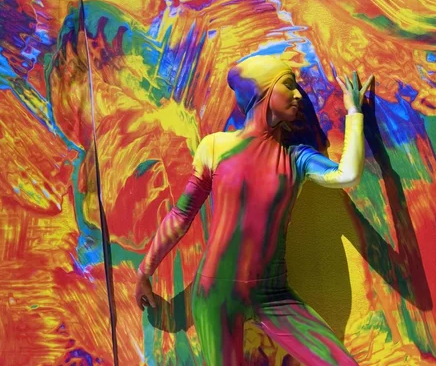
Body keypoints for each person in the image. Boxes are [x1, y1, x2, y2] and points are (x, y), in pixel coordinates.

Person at [135, 55, 374, 366]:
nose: (299, 95)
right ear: (264, 92)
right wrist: (145, 272)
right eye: (289, 86)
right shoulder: (215, 147)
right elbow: (181, 216)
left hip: (274, 294)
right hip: (216, 295)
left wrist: (354, 113)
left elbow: (348, 175)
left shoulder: (296, 157)